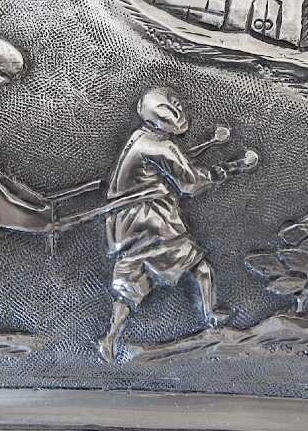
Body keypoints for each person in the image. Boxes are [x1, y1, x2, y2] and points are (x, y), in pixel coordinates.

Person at [97, 87, 236, 363]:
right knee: (199, 266)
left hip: (126, 223)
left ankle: (110, 338)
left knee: (131, 281)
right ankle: (211, 314)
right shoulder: (162, 147)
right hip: (152, 220)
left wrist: (204, 150)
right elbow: (191, 183)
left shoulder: (140, 137)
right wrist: (224, 171)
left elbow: (173, 162)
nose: (179, 112)